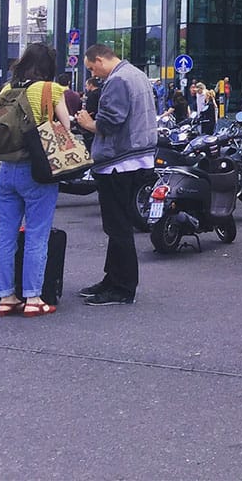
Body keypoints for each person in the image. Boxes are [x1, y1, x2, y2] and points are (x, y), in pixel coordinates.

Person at [0, 43, 71, 317]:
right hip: (38, 170)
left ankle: (5, 297)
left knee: (5, 233)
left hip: (7, 169)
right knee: (37, 234)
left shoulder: (7, 89)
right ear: (49, 66)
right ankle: (33, 298)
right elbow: (65, 128)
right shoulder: (51, 90)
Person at [74, 43, 157, 306]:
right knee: (117, 225)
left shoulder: (118, 80)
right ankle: (111, 279)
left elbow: (111, 122)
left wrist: (88, 123)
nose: (94, 74)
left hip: (119, 161)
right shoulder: (136, 74)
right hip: (137, 157)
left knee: (117, 226)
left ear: (99, 60)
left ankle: (122, 288)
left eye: (92, 68)